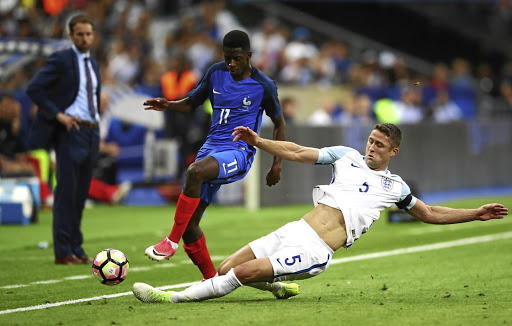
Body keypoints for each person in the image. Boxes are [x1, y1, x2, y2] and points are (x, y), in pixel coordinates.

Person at [133, 123, 508, 303]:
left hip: (315, 251)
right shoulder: (346, 156)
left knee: (243, 274)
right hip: (294, 229)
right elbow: (297, 151)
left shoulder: (396, 187)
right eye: (371, 140)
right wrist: (260, 142)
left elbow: (430, 214)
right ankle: (279, 285)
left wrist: (475, 213)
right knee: (227, 267)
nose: (371, 147)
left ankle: (171, 297)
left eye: (380, 145)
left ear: (394, 152)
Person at [142, 30, 286, 280]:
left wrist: (277, 165)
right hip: (211, 147)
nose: (231, 64)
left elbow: (279, 123)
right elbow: (192, 102)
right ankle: (212, 281)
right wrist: (169, 104)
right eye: (228, 58)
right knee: (190, 226)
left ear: (249, 56)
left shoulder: (264, 85)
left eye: (237, 58)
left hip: (238, 151)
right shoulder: (215, 72)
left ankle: (170, 242)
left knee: (194, 172)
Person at [26, 14, 101, 265]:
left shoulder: (94, 64)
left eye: (88, 34)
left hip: (91, 131)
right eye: (79, 34)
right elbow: (34, 88)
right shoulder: (61, 59)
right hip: (70, 131)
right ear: (70, 35)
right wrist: (58, 115)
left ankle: (76, 248)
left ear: (93, 35)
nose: (84, 38)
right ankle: (62, 251)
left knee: (80, 193)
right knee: (66, 192)